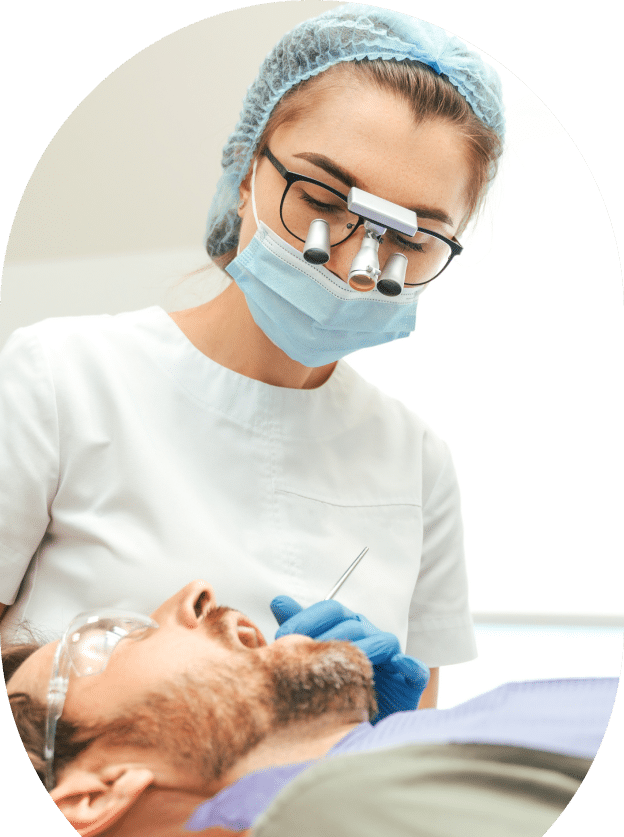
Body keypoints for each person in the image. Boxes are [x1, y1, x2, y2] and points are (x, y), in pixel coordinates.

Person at [0, 5, 506, 706]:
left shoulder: (416, 461)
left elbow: (414, 749)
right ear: (245, 174)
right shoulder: (61, 377)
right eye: (325, 196)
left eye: (412, 238)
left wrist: (383, 728)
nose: (357, 264)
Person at [3, 579, 618, 837]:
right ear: (93, 794)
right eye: (105, 638)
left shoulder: (385, 784)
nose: (193, 593)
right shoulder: (319, 833)